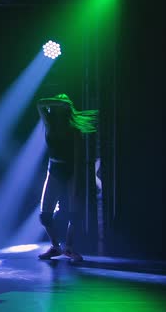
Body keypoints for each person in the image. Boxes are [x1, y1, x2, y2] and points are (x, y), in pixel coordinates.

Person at [36, 93, 97, 262]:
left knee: (74, 214)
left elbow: (78, 159)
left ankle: (69, 248)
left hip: (70, 170)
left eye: (61, 105)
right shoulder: (49, 122)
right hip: (53, 169)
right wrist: (60, 102)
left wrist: (76, 181)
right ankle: (55, 246)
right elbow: (40, 102)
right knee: (45, 215)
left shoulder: (74, 129)